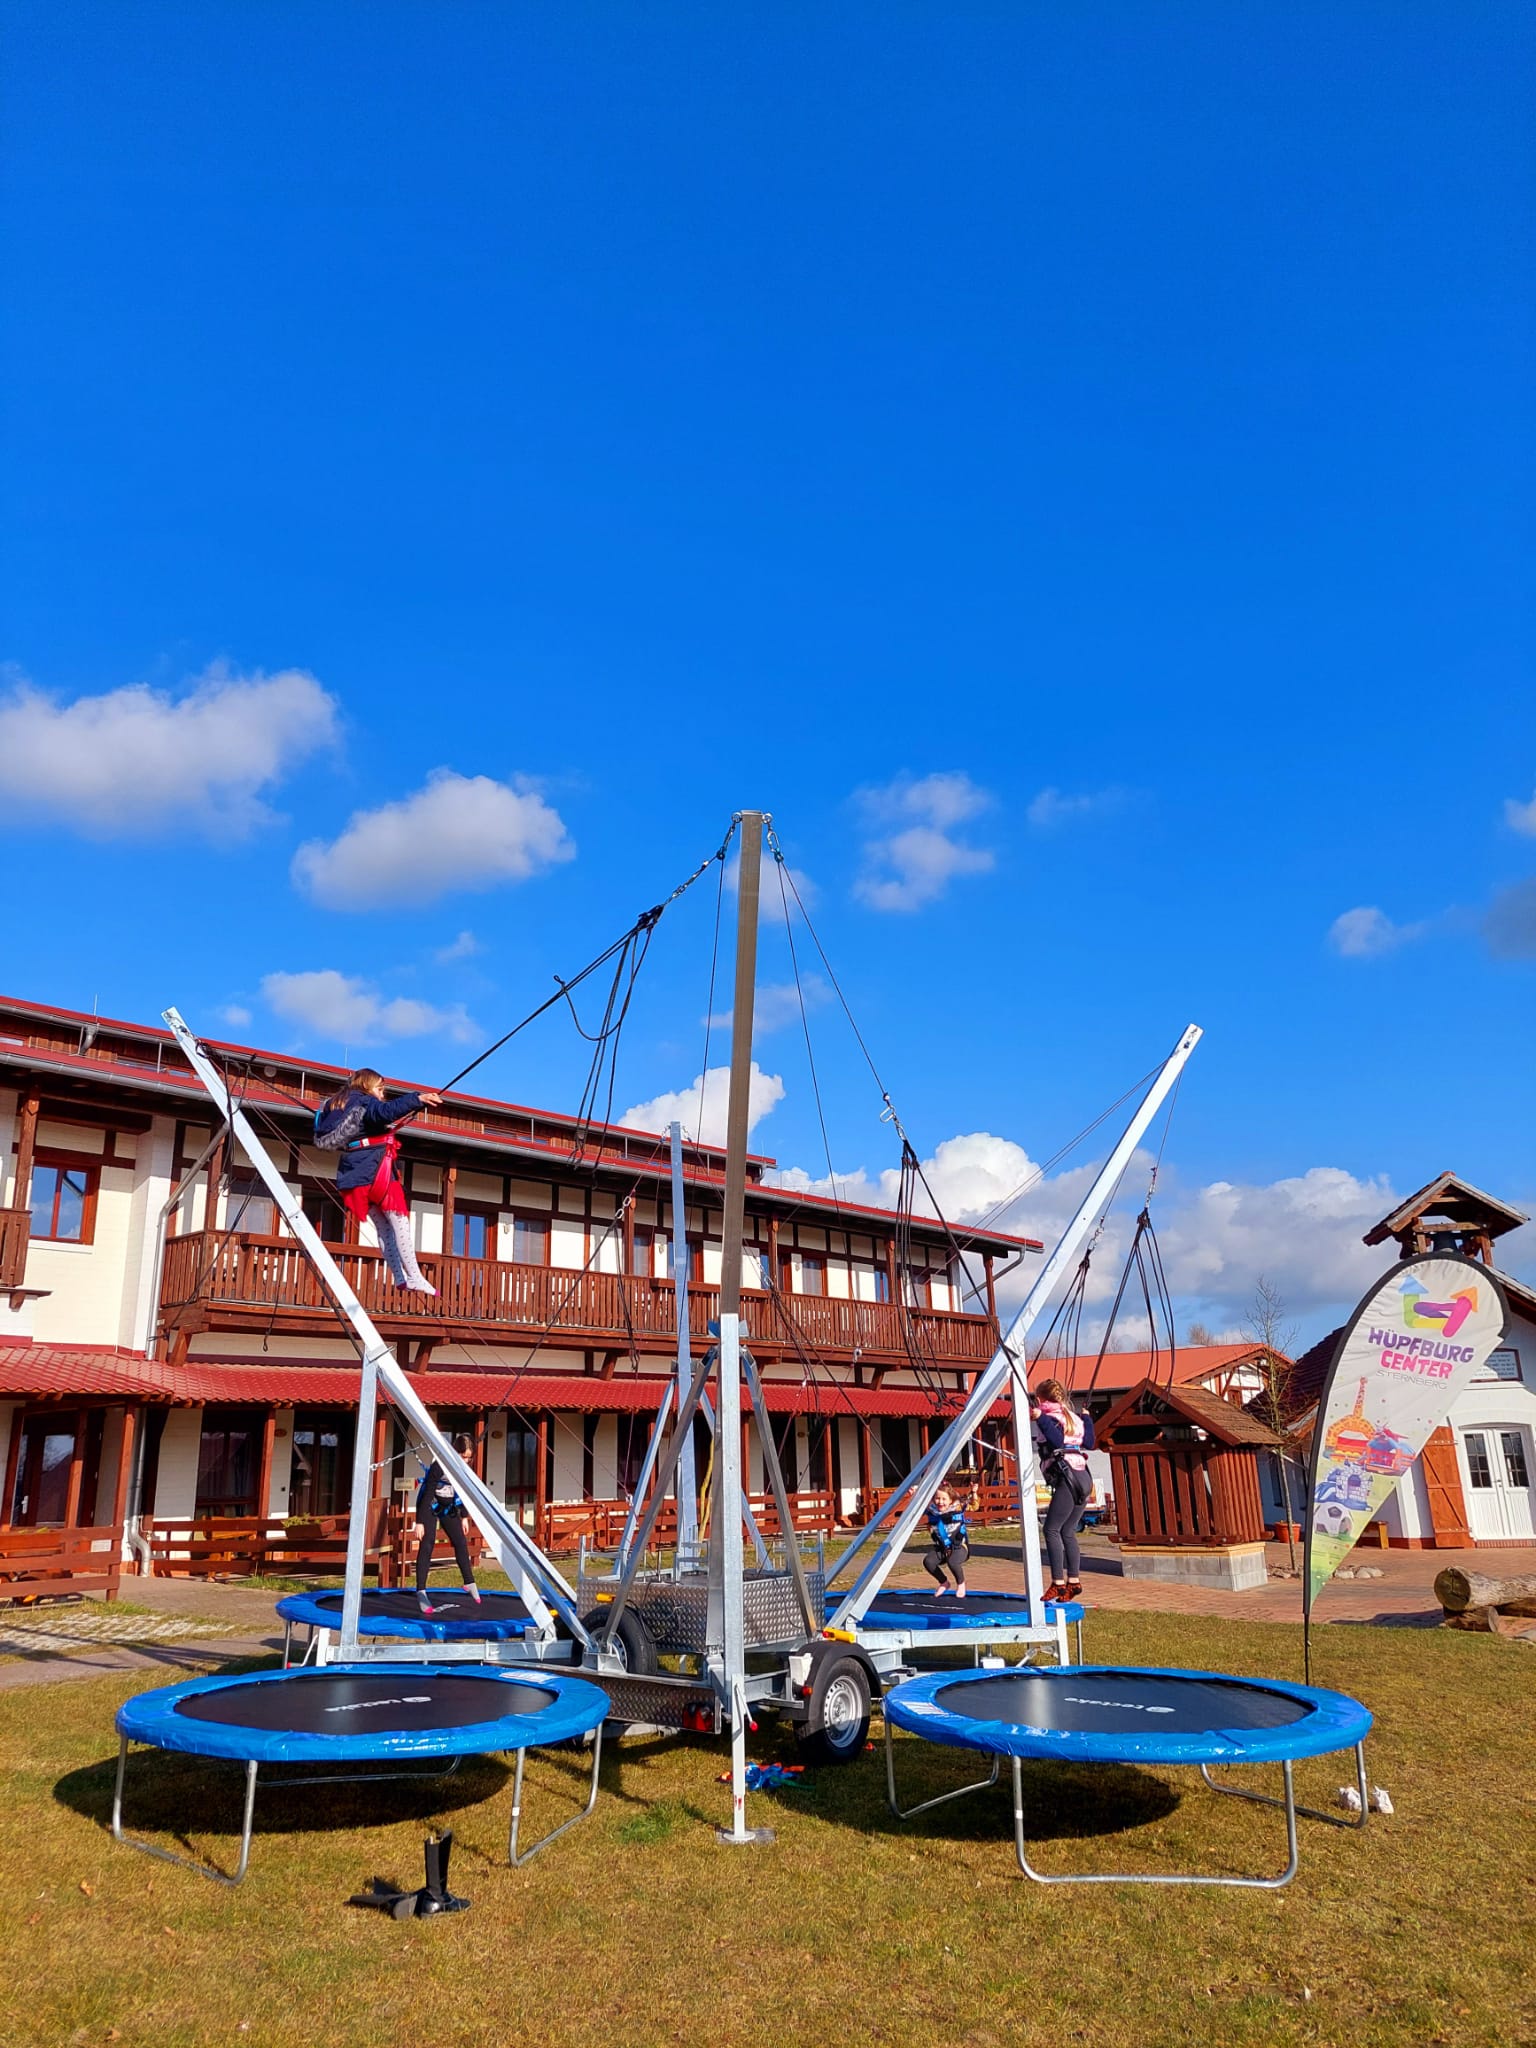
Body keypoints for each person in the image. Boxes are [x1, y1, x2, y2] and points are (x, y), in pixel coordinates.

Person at [314, 1067, 442, 1293]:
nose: (382, 1094)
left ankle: (399, 1277)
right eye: (380, 1089)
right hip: (376, 1171)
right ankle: (414, 1275)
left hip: (355, 1176)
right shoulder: (365, 1102)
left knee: (384, 1229)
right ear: (367, 1085)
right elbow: (386, 1111)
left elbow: (329, 1129)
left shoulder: (335, 1105)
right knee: (399, 1224)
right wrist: (417, 1098)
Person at [1034, 1377, 1095, 1603]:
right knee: (1067, 1531)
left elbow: (1056, 1440)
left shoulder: (1048, 1417)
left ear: (1040, 1399)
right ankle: (1074, 1582)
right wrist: (1088, 1419)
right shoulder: (1074, 1418)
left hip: (1067, 1476)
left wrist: (1041, 1419)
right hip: (1083, 1476)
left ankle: (1058, 1583)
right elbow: (1089, 1442)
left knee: (1051, 1529)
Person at [414, 1432, 481, 1616]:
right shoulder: (439, 1466)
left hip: (448, 1506)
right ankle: (421, 1591)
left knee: (460, 1541)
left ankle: (469, 1582)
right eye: (463, 1456)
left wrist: (465, 1517)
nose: (466, 1461)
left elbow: (465, 1493)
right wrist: (419, 1522)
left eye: (469, 1457)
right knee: (427, 1543)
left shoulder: (465, 1469)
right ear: (455, 1452)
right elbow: (427, 1493)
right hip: (429, 1505)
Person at [923, 1481, 971, 1598]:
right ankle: (944, 1582)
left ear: (951, 1500)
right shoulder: (932, 1510)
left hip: (959, 1547)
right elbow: (918, 1505)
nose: (940, 1502)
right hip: (943, 1547)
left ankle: (961, 1583)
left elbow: (974, 1504)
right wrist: (913, 1495)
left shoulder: (957, 1507)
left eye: (944, 1499)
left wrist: (974, 1492)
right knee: (928, 1561)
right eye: (937, 1499)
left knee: (952, 1562)